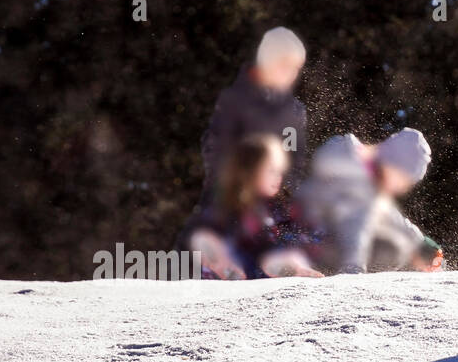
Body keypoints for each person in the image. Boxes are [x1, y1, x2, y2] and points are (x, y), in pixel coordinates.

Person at [297, 128, 441, 274]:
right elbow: (355, 228)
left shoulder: (362, 166)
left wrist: (419, 242)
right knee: (392, 250)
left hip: (317, 236)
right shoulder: (355, 179)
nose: (403, 187)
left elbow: (386, 214)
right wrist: (353, 268)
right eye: (404, 179)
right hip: (309, 239)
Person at [179, 134, 321, 280]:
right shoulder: (226, 207)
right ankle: (224, 266)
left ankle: (293, 268)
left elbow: (303, 231)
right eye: (271, 171)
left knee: (289, 255)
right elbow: (211, 228)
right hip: (237, 262)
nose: (278, 177)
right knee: (207, 240)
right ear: (249, 171)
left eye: (279, 171)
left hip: (267, 264)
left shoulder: (279, 207)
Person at [199, 27, 309, 204]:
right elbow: (213, 148)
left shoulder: (294, 111)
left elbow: (293, 157)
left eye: (295, 68)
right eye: (284, 65)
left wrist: (287, 189)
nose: (290, 73)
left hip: (273, 206)